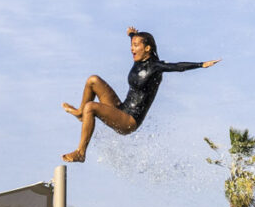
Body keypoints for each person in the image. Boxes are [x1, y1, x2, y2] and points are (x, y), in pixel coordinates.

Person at [62, 28, 217, 162]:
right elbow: (137, 41)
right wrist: (132, 35)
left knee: (92, 106)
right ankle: (81, 114)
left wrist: (201, 64)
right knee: (93, 80)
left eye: (136, 45)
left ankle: (81, 153)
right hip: (120, 109)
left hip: (129, 121)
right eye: (131, 45)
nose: (132, 49)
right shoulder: (138, 59)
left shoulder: (155, 67)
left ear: (147, 48)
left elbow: (177, 67)